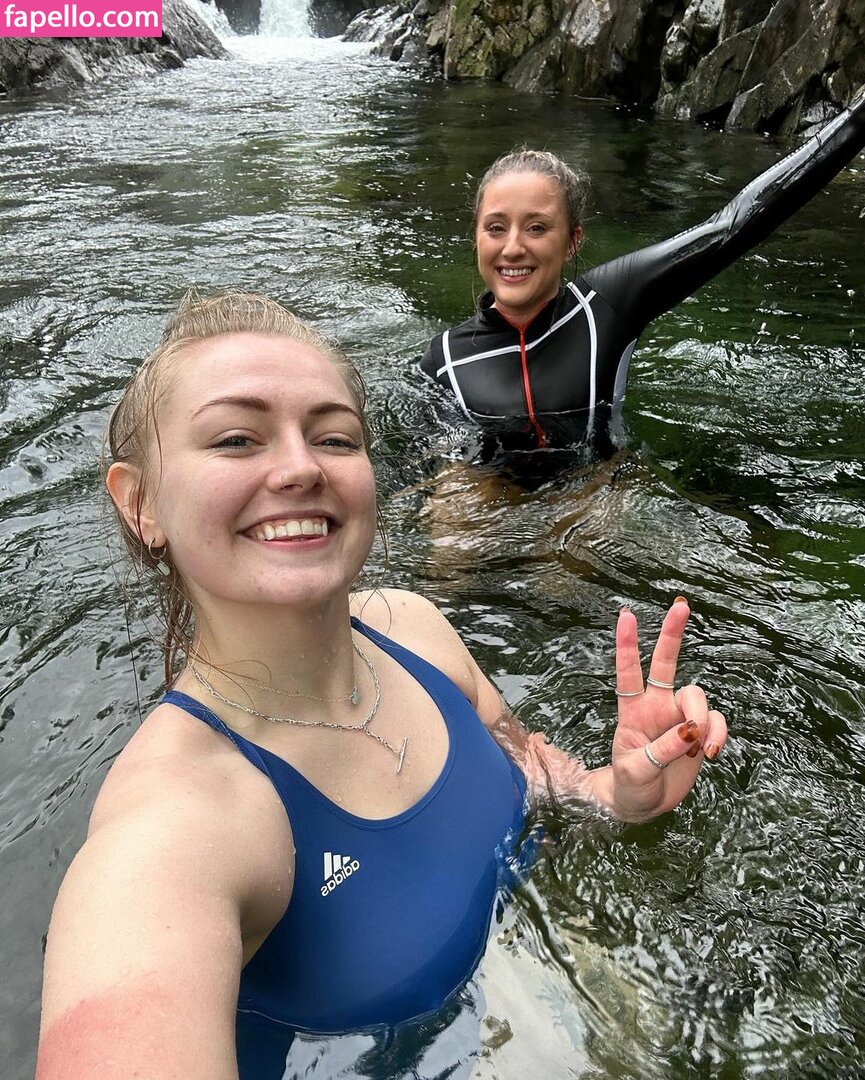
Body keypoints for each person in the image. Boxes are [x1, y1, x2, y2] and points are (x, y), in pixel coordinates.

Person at [36, 291, 727, 1080]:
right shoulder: (173, 833)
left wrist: (614, 793)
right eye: (236, 439)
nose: (301, 468)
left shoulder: (411, 625)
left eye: (334, 437)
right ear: (141, 504)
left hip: (533, 999)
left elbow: (526, 768)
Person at [421, 88, 865, 451]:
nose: (513, 248)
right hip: (497, 510)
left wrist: (858, 123)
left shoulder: (605, 306)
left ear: (573, 241)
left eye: (537, 228)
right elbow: (427, 469)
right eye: (496, 228)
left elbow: (731, 227)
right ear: (476, 238)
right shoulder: (445, 360)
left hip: (598, 501)